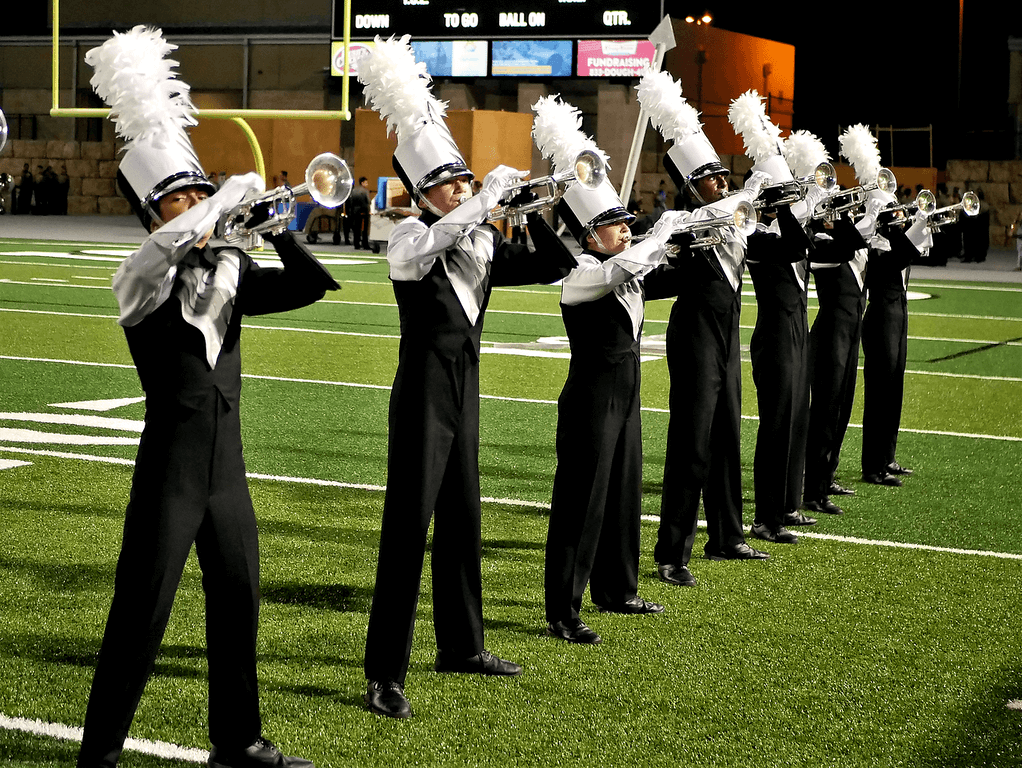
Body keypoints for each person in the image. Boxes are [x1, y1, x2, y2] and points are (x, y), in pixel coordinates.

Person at [78, 27, 336, 768]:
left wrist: (277, 227)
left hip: (228, 473)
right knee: (140, 616)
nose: (193, 204)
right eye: (178, 197)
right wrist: (218, 200)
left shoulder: (228, 270)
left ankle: (238, 741)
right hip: (171, 472)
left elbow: (311, 287)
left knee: (237, 606)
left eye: (195, 188)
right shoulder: (137, 278)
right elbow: (165, 248)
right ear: (150, 212)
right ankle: (96, 755)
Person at [355, 35, 576, 720]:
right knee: (406, 530)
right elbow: (439, 237)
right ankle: (383, 672)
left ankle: (463, 645)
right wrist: (482, 205)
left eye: (463, 177)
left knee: (462, 522)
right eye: (449, 183)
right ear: (424, 192)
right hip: (422, 392)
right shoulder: (406, 238)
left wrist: (535, 210)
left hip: (465, 391)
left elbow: (549, 267)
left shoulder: (477, 236)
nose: (463, 186)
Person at [532, 96, 669, 645]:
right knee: (581, 500)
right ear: (590, 236)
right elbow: (630, 264)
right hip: (591, 397)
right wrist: (664, 232)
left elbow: (662, 269)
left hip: (627, 395)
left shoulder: (623, 269)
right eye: (613, 225)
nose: (625, 230)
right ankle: (563, 608)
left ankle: (617, 587)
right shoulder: (583, 275)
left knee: (623, 493)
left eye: (625, 222)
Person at [636, 70, 769, 587]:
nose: (721, 182)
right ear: (692, 186)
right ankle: (671, 552)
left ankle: (728, 534)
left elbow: (777, 237)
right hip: (692, 342)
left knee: (726, 437)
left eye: (721, 174)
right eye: (709, 178)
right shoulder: (683, 229)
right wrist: (674, 242)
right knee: (690, 444)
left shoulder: (734, 221)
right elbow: (658, 279)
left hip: (726, 344)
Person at [728, 92, 821, 545]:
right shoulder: (757, 236)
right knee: (777, 424)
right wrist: (782, 202)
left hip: (795, 331)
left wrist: (796, 199)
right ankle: (765, 518)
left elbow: (812, 242)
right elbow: (796, 246)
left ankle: (786, 504)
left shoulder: (777, 228)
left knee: (794, 420)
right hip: (775, 336)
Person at [347, 176, 372, 250]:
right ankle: (365, 244)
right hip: (364, 211)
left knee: (357, 229)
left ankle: (356, 244)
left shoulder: (354, 190)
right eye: (366, 182)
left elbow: (351, 202)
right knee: (364, 229)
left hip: (355, 212)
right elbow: (368, 201)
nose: (367, 184)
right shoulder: (365, 191)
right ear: (362, 183)